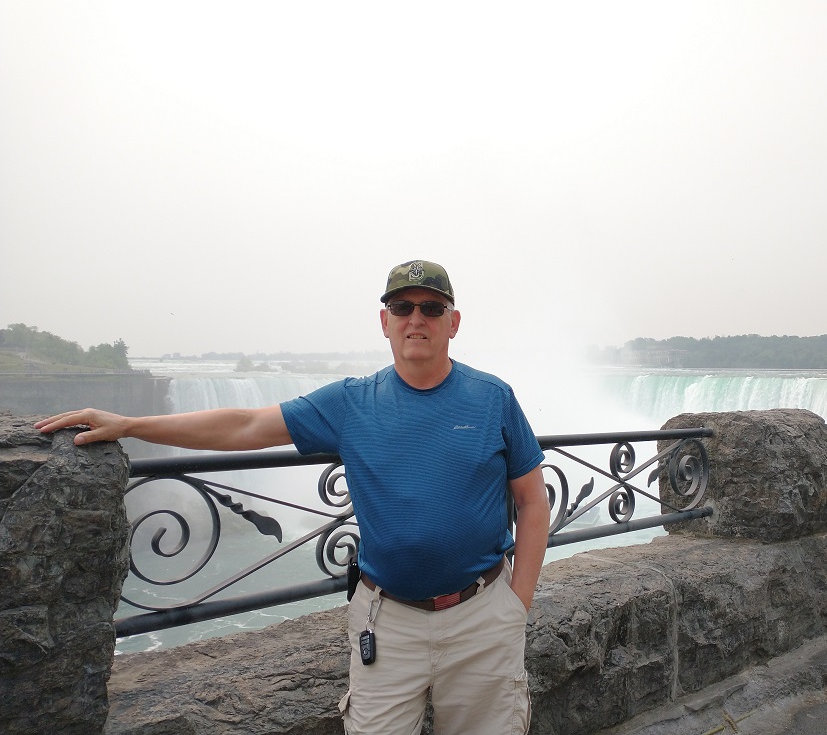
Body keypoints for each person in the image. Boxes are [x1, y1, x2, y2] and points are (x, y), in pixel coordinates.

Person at [36, 259, 550, 735]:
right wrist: (130, 425)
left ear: (453, 322)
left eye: (431, 308)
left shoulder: (492, 399)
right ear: (385, 321)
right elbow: (246, 425)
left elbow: (532, 501)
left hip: (482, 617)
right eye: (402, 307)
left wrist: (517, 604)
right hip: (388, 622)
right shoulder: (352, 402)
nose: (416, 319)